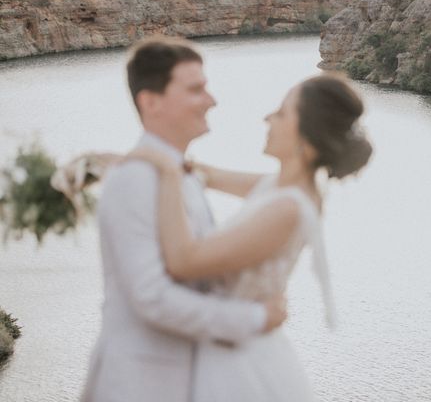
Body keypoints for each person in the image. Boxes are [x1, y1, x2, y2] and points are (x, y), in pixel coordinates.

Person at [123, 69, 372, 401]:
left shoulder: (288, 208)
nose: (267, 117)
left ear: (306, 140)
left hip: (238, 370)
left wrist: (167, 175)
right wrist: (109, 165)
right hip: (228, 348)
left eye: (282, 113)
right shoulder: (282, 186)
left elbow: (183, 262)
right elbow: (204, 174)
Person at [81, 36, 287, 402]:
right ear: (151, 102)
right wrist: (254, 318)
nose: (212, 101)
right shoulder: (133, 179)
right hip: (139, 385)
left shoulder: (183, 175)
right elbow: (152, 297)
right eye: (196, 90)